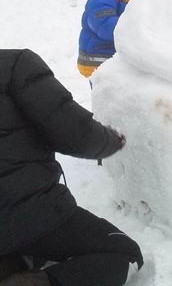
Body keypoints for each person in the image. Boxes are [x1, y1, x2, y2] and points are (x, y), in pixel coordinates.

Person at [0, 48, 143, 286]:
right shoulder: (14, 66)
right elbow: (77, 135)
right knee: (124, 253)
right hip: (26, 213)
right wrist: (115, 140)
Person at [78, 0, 148, 78]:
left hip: (109, 53)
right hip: (96, 55)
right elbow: (104, 25)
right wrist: (135, 29)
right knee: (112, 89)